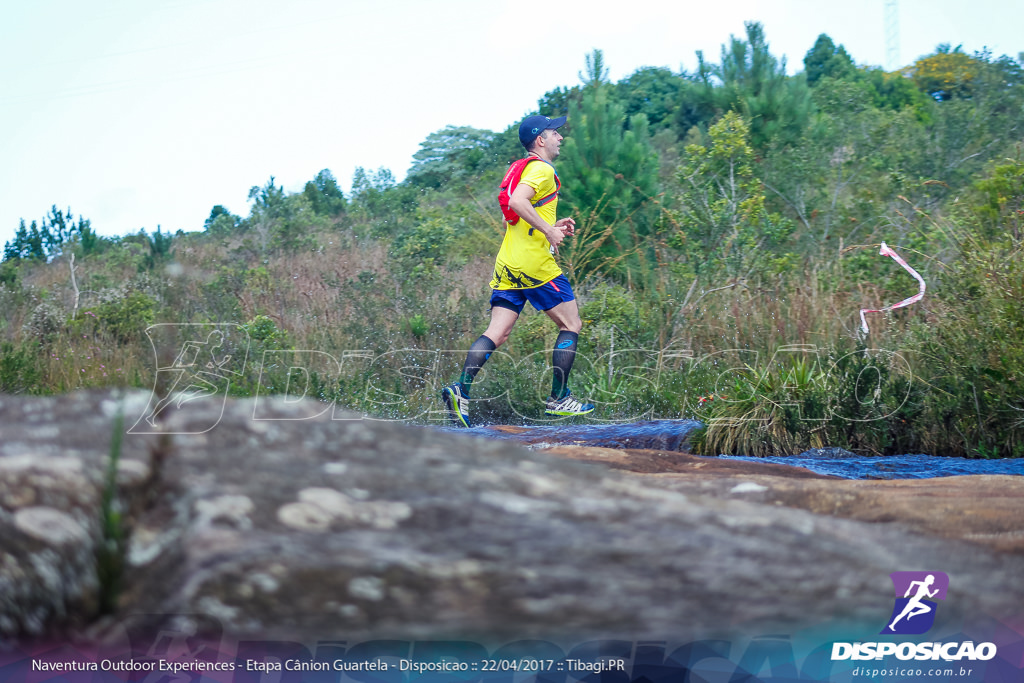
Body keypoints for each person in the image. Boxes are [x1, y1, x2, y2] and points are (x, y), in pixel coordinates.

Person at [442, 114, 594, 428]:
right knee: (572, 323)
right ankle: (559, 398)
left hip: (508, 262)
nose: (560, 137)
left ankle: (461, 390)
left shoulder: (519, 168)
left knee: (498, 331)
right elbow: (517, 201)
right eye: (555, 133)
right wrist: (549, 233)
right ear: (541, 139)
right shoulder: (541, 169)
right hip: (534, 263)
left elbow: (510, 215)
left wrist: (550, 225)